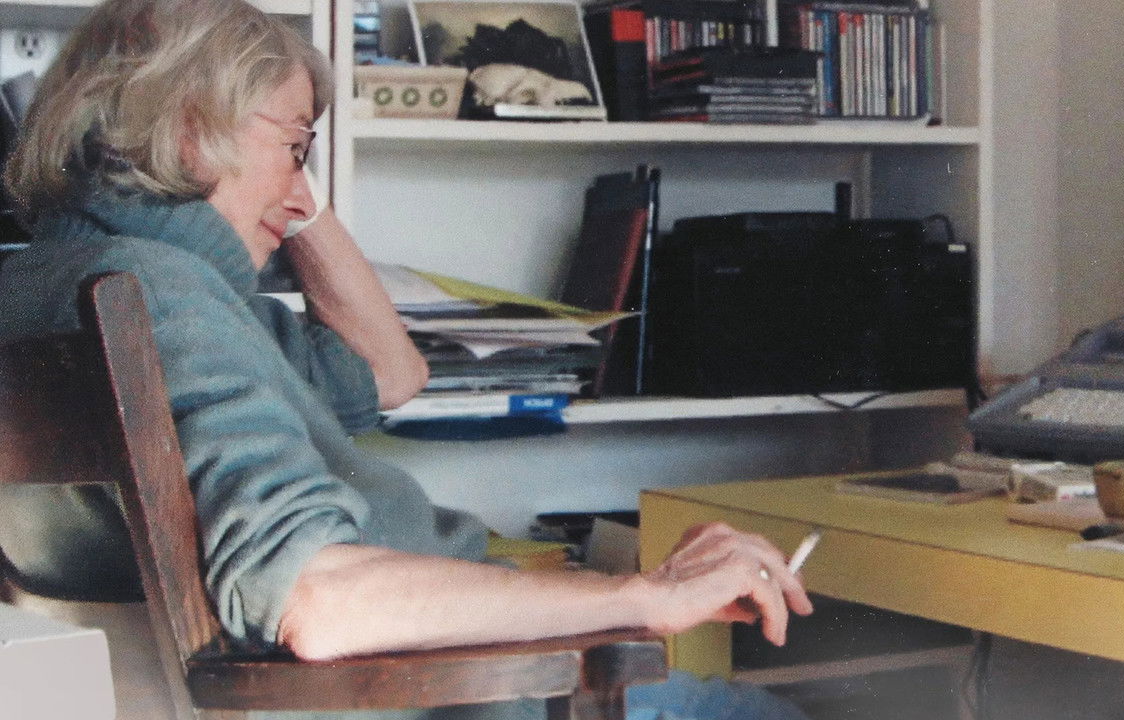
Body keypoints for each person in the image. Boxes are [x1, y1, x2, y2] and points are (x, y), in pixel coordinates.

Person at [0, 1, 814, 718]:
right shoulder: (165, 297)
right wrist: (641, 595)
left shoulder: (63, 289)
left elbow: (393, 374)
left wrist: (285, 190)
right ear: (189, 130)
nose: (303, 191)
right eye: (296, 147)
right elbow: (314, 596)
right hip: (450, 695)